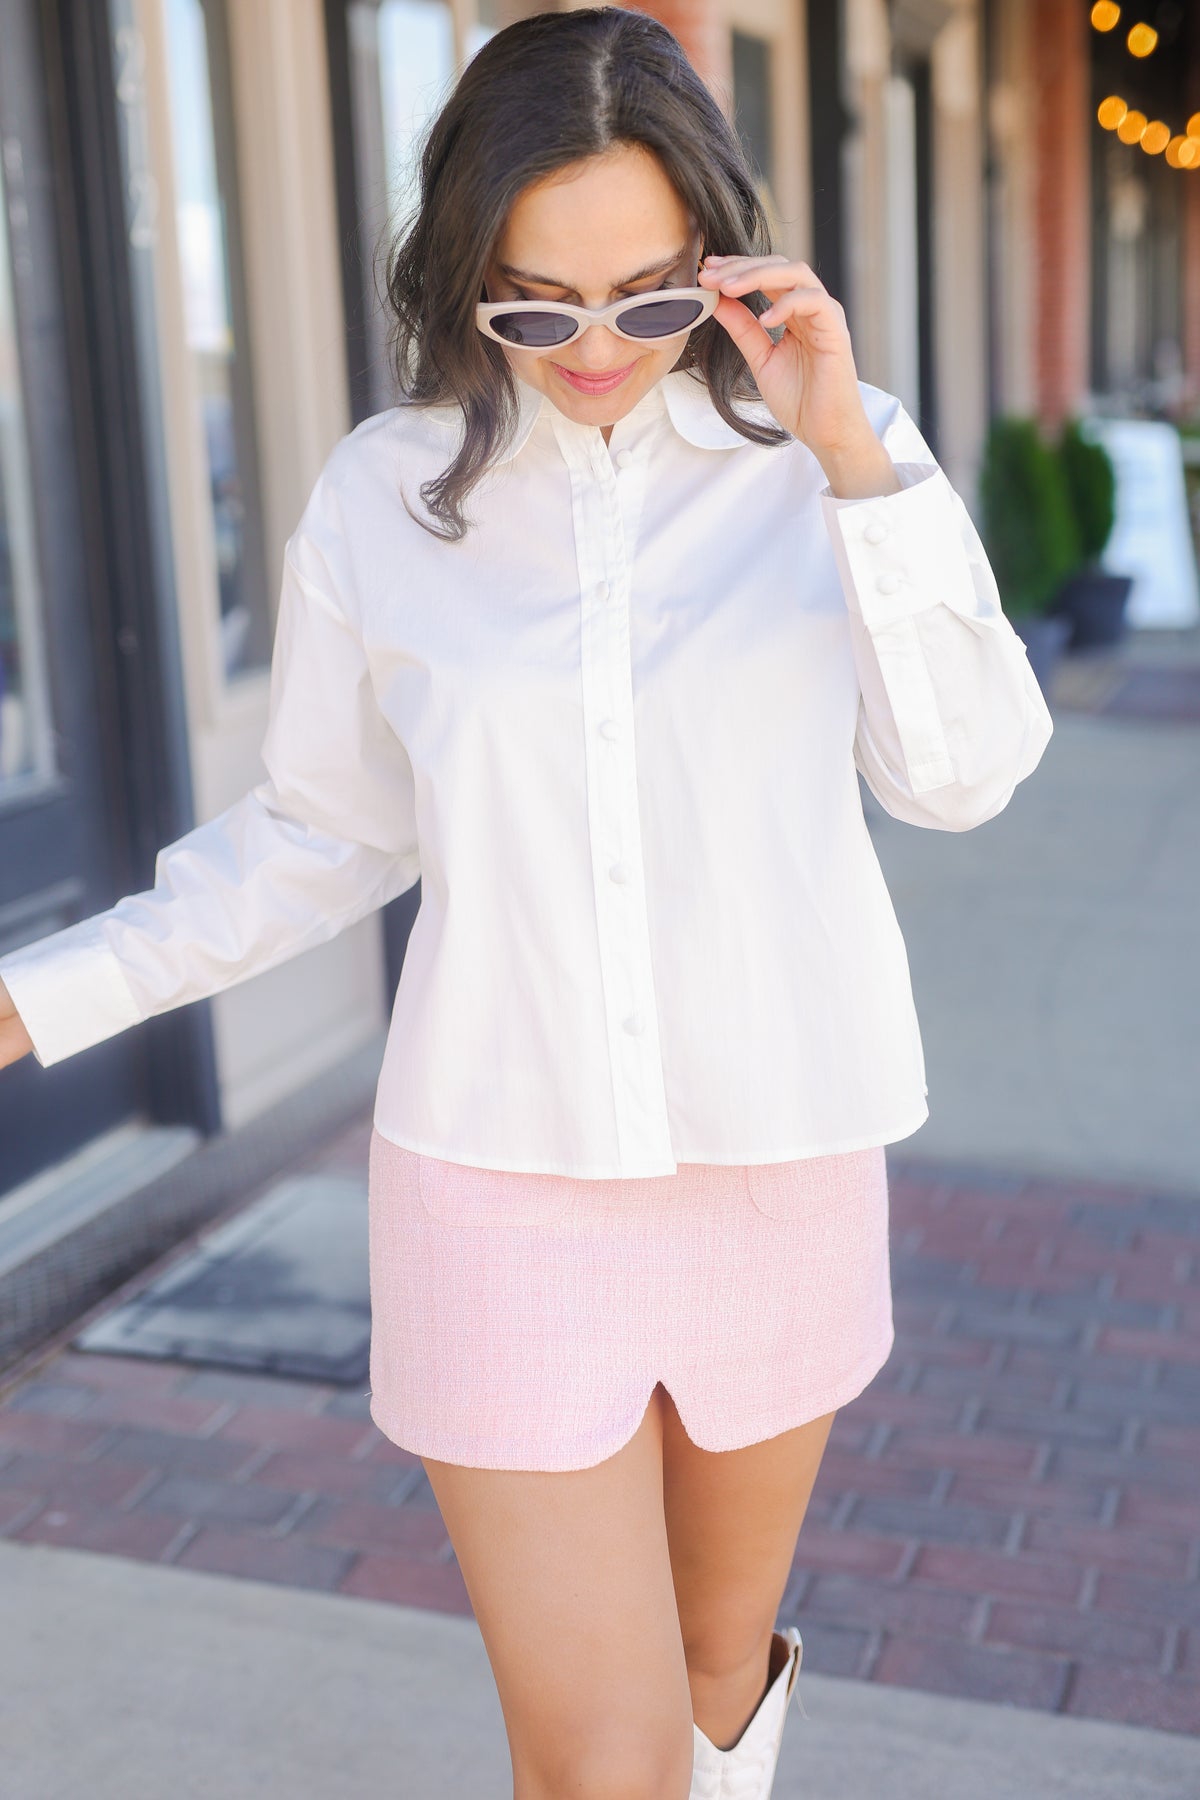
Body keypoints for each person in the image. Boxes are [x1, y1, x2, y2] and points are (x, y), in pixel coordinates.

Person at [0, 8, 1054, 1797]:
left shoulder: (837, 454)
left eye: (647, 299)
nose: (593, 349)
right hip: (495, 1182)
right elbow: (321, 836)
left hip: (775, 1154)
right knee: (600, 1765)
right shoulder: (382, 498)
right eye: (531, 304)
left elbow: (959, 775)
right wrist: (39, 998)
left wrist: (853, 466)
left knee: (719, 1680)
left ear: (721, 261)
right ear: (464, 273)